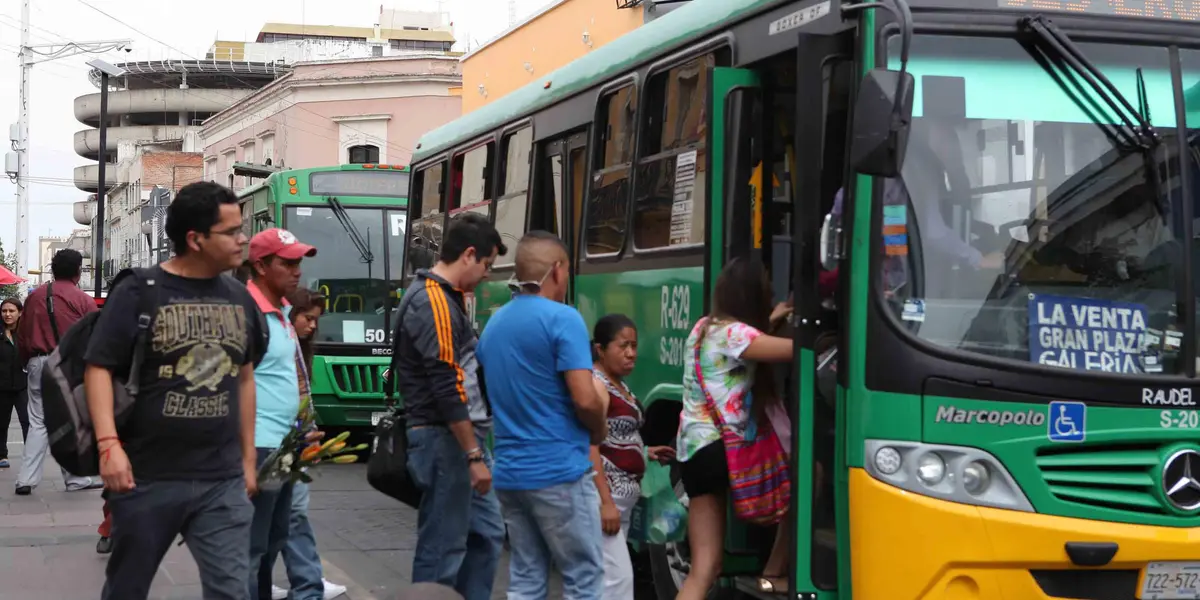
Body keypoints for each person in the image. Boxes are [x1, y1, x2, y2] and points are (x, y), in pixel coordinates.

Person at [84, 180, 265, 600]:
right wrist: (109, 446)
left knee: (232, 591)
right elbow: (98, 368)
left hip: (221, 479)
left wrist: (248, 460)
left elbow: (245, 378)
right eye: (231, 231)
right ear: (195, 239)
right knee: (127, 589)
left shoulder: (240, 298)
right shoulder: (139, 290)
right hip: (147, 477)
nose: (243, 240)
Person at [476, 231, 609, 599]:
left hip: (511, 474)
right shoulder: (563, 319)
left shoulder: (495, 325)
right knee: (583, 578)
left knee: (526, 578)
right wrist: (598, 429)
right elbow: (585, 399)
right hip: (558, 471)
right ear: (557, 270)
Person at [387, 212, 507, 600]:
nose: (487, 274)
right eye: (487, 264)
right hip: (446, 441)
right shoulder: (433, 301)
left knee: (486, 533)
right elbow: (446, 385)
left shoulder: (442, 297)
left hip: (455, 440)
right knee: (443, 547)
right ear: (468, 255)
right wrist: (473, 454)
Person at [675, 258, 795, 599]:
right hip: (724, 451)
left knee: (704, 569)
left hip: (694, 451)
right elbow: (795, 350)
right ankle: (774, 570)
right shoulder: (737, 334)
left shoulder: (703, 328)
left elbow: (748, 340)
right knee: (808, 477)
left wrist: (775, 317)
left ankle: (772, 571)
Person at [246, 227, 322, 600]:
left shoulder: (282, 314)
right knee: (250, 547)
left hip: (286, 447)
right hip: (260, 448)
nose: (297, 271)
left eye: (299, 263)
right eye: (287, 263)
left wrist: (304, 429)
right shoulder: (248, 313)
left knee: (273, 540)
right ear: (261, 266)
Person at [587, 314, 674, 600]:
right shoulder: (598, 386)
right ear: (600, 350)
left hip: (620, 503)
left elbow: (614, 436)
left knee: (607, 581)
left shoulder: (618, 384)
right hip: (606, 500)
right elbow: (590, 445)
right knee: (619, 581)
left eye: (634, 346)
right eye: (623, 346)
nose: (631, 353)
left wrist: (644, 452)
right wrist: (606, 503)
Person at [271, 287, 347, 600]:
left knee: (284, 515)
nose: (313, 326)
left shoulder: (296, 345)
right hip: (282, 441)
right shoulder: (283, 342)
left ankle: (298, 579)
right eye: (308, 318)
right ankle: (307, 581)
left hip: (291, 440)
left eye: (316, 320)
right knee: (292, 513)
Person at [15, 249, 103, 495]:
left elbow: (22, 335)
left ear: (53, 270)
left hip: (38, 361)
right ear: (78, 271)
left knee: (38, 421)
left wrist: (27, 361)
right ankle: (76, 478)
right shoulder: (83, 300)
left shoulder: (35, 296)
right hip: (69, 365)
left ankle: (26, 479)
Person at [0, 297, 29, 468]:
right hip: (2, 386)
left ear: (20, 313)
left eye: (11, 311)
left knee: (27, 422)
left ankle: (30, 455)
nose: (7, 314)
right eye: (4, 311)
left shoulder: (26, 333)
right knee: (1, 422)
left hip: (22, 385)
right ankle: (1, 455)